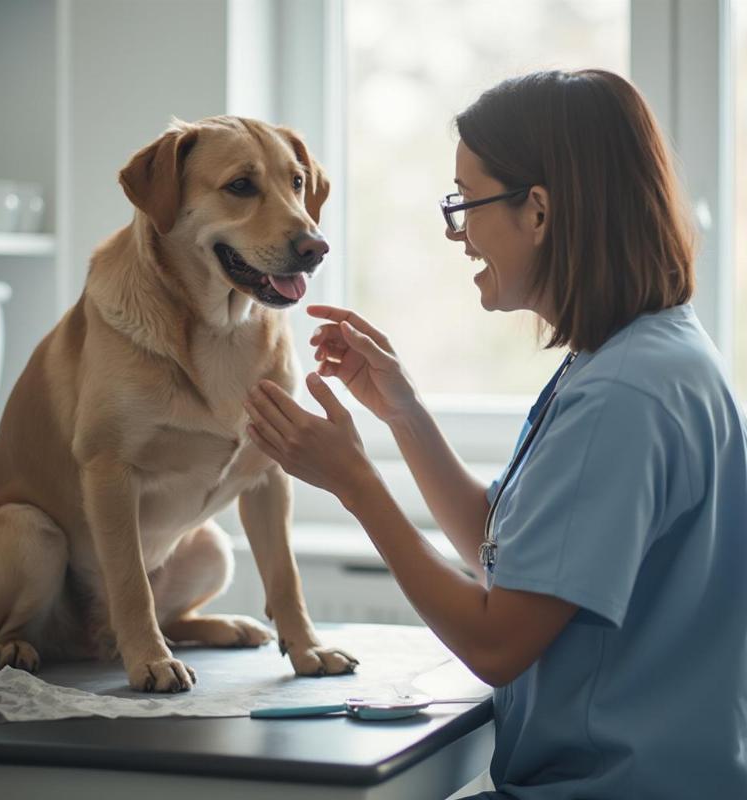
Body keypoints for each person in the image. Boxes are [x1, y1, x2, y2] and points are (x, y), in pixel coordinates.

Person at [242, 69, 747, 798]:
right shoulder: (648, 353)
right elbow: (507, 552)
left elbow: (496, 640)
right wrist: (403, 412)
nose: (460, 235)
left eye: (465, 205)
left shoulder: (621, 397)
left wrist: (354, 483)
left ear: (536, 211)